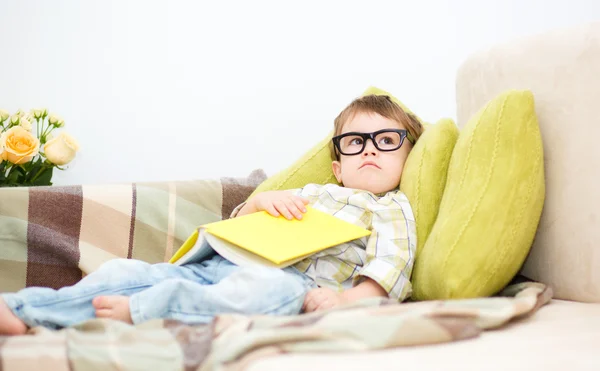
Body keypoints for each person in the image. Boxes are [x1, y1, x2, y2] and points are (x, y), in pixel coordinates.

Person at [0, 94, 423, 336]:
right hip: (223, 262)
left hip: (290, 281)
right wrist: (259, 203)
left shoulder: (391, 208)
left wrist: (345, 299)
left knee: (274, 296)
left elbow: (391, 265)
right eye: (355, 142)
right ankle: (20, 309)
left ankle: (150, 309)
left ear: (409, 155)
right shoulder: (315, 192)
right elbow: (241, 221)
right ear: (338, 166)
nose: (369, 148)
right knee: (122, 273)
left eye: (386, 140)